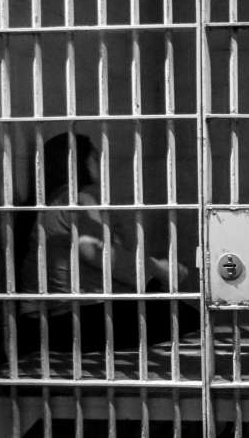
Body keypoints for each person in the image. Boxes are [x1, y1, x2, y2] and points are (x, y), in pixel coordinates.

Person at [16, 133, 199, 355]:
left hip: (42, 325)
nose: (101, 165)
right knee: (185, 316)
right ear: (79, 163)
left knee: (160, 305)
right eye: (95, 158)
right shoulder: (78, 198)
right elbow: (94, 249)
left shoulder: (51, 202)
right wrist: (156, 269)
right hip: (69, 321)